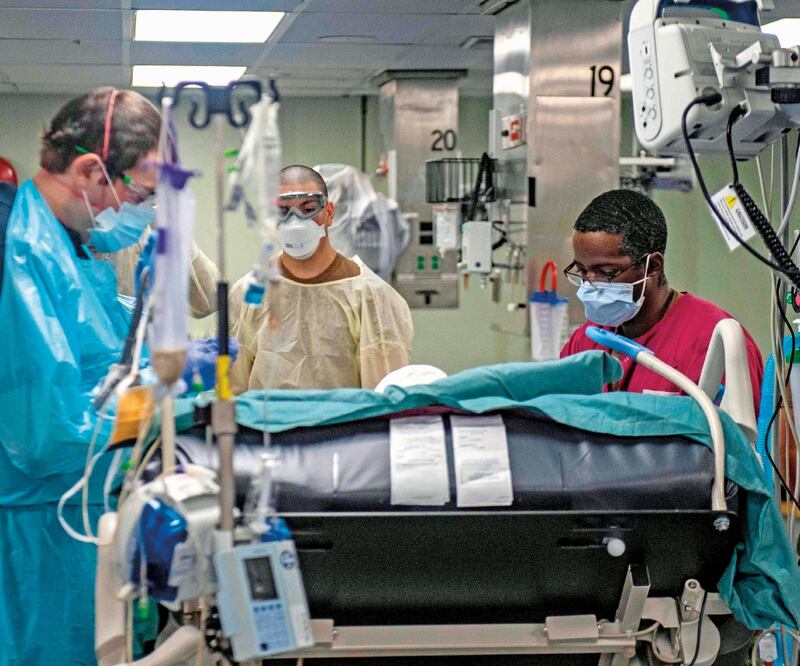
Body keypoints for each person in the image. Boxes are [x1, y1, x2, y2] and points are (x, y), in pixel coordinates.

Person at [0, 87, 160, 665]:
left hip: (80, 510)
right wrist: (157, 403)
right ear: (92, 170)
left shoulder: (69, 244)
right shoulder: (16, 249)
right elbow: (49, 433)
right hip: (35, 527)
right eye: (141, 192)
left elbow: (90, 345)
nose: (143, 209)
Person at [560, 189, 764, 410]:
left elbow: (735, 439)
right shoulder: (587, 340)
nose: (590, 284)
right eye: (582, 270)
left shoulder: (713, 341)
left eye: (606, 271)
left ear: (654, 266)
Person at [230, 164, 414, 392]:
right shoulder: (250, 293)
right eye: (283, 211)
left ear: (329, 213)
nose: (295, 220)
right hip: (266, 427)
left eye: (308, 208)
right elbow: (232, 390)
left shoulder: (372, 297)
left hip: (345, 426)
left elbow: (384, 399)